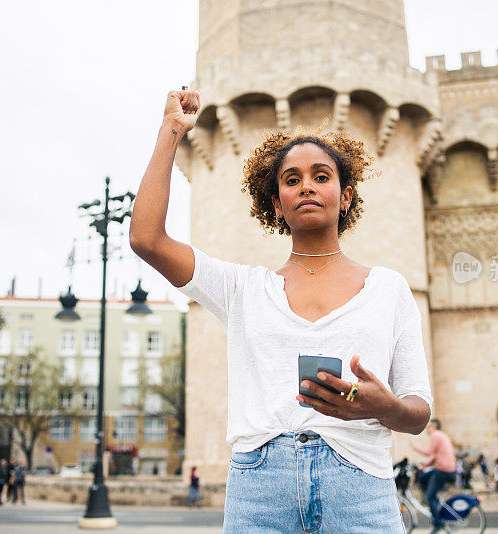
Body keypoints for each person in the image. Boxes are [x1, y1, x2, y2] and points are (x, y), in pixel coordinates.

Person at [129, 89, 433, 533]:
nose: (306, 185)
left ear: (345, 196)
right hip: (260, 491)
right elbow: (147, 240)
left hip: (361, 488)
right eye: (291, 180)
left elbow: (418, 410)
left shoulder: (389, 289)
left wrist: (383, 407)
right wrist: (172, 130)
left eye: (321, 176)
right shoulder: (242, 289)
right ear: (276, 204)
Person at [412, 419, 456, 531]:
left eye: (429, 427)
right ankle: (433, 501)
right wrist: (424, 466)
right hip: (446, 468)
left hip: (443, 469)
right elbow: (436, 456)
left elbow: (429, 453)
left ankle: (437, 524)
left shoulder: (435, 435)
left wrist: (415, 447)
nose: (427, 429)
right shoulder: (442, 435)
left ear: (434, 427)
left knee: (430, 496)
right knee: (422, 478)